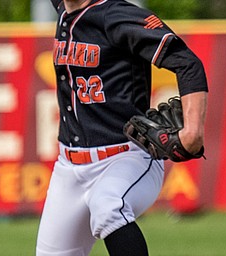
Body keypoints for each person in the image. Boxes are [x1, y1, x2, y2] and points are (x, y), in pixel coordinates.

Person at [36, 0, 208, 255]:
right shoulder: (65, 10)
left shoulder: (116, 15)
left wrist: (192, 131)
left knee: (108, 207)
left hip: (125, 157)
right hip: (69, 169)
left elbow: (187, 62)